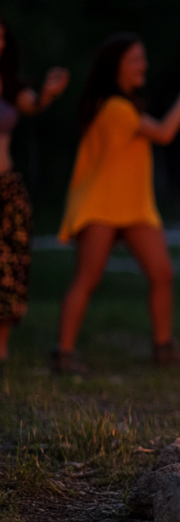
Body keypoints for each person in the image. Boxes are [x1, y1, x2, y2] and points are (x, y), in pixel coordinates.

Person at [54, 34, 180, 373]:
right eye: (136, 59)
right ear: (116, 66)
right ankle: (62, 353)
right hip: (102, 203)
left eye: (143, 58)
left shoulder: (123, 106)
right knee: (88, 277)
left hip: (135, 206)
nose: (143, 66)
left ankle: (163, 347)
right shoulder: (115, 108)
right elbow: (165, 133)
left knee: (161, 273)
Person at [0, 17, 69, 363]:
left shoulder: (9, 86)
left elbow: (32, 103)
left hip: (7, 185)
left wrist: (49, 93)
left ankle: (1, 344)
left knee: (11, 264)